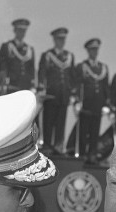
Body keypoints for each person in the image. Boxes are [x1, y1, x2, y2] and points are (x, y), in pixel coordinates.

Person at [37, 27, 76, 155]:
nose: (61, 41)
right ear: (54, 39)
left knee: (61, 123)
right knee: (48, 122)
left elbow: (71, 76)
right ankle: (47, 146)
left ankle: (59, 146)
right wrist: (41, 88)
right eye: (59, 39)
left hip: (64, 95)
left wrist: (73, 93)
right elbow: (41, 72)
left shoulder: (69, 56)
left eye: (63, 39)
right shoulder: (48, 55)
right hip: (51, 94)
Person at [74, 38, 110, 164]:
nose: (94, 52)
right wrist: (77, 101)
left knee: (95, 132)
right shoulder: (82, 67)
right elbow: (78, 85)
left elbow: (106, 87)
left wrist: (107, 104)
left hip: (98, 104)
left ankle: (92, 154)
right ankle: (83, 154)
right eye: (92, 50)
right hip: (86, 104)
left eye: (96, 49)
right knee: (84, 131)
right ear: (88, 51)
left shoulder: (103, 67)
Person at [0, 18, 35, 96]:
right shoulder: (7, 46)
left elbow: (31, 69)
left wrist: (33, 85)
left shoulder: (30, 49)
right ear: (15, 30)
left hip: (26, 87)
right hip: (11, 86)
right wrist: (3, 82)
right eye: (19, 30)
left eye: (24, 30)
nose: (22, 33)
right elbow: (2, 66)